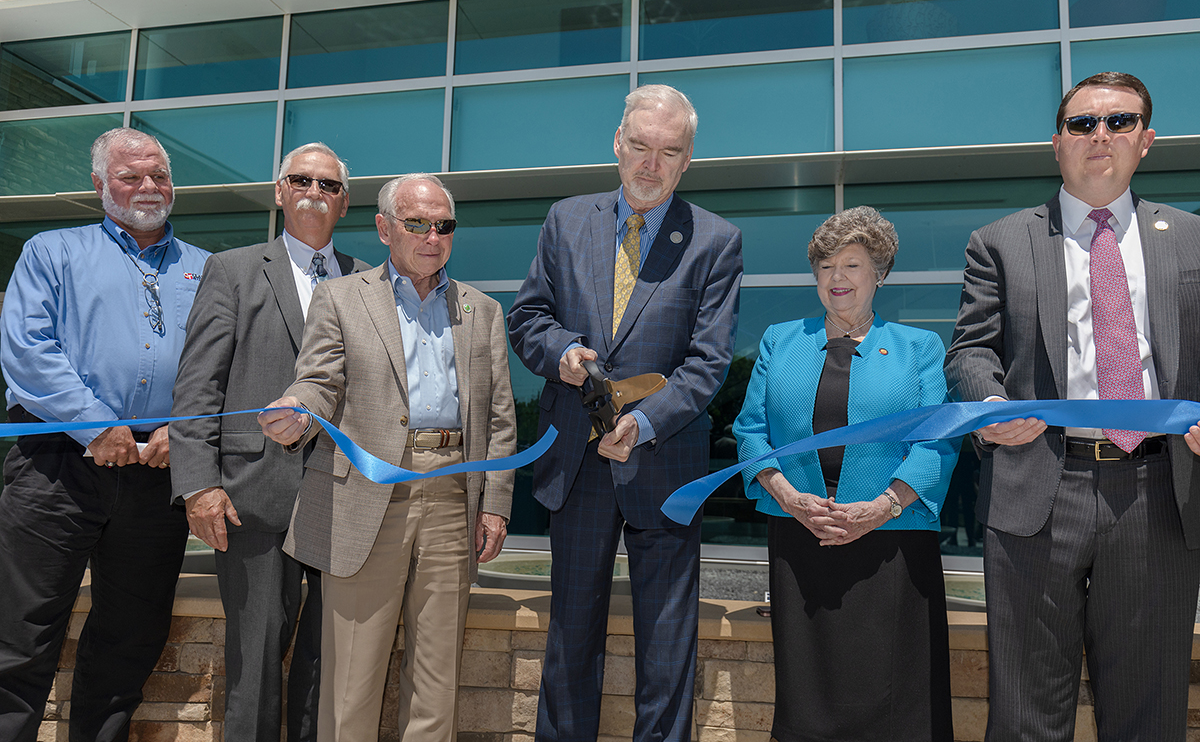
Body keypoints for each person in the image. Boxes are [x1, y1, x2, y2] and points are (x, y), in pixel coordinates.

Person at [944, 72, 1200, 741]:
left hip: (1159, 495)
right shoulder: (998, 242)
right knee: (1027, 711)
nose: (1100, 135)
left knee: (1149, 711)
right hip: (1036, 492)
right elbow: (969, 353)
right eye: (1083, 123)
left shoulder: (1193, 239)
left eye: (1119, 121)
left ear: (1147, 140)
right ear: (1056, 142)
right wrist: (990, 403)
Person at [507, 84, 743, 742]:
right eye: (640, 145)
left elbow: (708, 362)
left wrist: (642, 422)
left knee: (667, 646)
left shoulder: (716, 240)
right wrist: (563, 353)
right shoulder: (565, 218)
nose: (650, 162)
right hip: (577, 466)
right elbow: (527, 318)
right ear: (618, 143)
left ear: (688, 158)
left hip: (665, 467)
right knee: (570, 635)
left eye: (668, 151)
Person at [258, 173, 516, 742]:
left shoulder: (484, 311)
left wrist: (494, 505)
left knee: (437, 676)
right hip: (367, 493)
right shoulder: (340, 297)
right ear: (383, 228)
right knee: (352, 678)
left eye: (443, 226)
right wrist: (297, 410)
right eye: (416, 223)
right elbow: (318, 381)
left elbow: (499, 418)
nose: (431, 236)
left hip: (453, 493)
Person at [0, 128, 210, 742]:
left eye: (159, 176)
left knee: (130, 639)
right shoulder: (51, 251)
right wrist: (97, 427)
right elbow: (26, 351)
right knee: (20, 636)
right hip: (56, 466)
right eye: (130, 176)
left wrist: (185, 430)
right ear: (100, 185)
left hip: (158, 471)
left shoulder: (207, 269)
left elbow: (219, 367)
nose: (148, 187)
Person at [733, 206, 958, 741]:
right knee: (807, 700)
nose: (837, 278)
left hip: (893, 544)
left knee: (897, 704)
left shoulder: (919, 348)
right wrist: (788, 498)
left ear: (878, 273)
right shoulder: (779, 342)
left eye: (852, 265)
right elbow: (749, 433)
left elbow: (939, 443)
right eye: (826, 265)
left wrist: (881, 507)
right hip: (801, 538)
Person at [170, 142, 369, 741]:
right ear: (280, 192)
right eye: (301, 180)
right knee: (254, 662)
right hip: (250, 499)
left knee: (326, 662)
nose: (315, 192)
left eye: (328, 185)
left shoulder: (366, 281)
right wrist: (199, 485)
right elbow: (198, 384)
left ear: (345, 201)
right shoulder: (231, 270)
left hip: (342, 501)